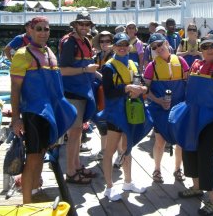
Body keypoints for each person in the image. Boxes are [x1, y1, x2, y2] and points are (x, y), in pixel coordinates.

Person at [10, 16, 76, 203]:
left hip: (50, 113)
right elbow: (15, 89)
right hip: (34, 113)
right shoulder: (23, 54)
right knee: (32, 157)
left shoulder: (49, 52)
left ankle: (35, 190)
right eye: (38, 29)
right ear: (29, 31)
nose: (43, 32)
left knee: (41, 153)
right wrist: (16, 118)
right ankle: (26, 202)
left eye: (46, 29)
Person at [169, 34, 213, 215]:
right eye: (205, 46)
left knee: (207, 158)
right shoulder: (196, 65)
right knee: (189, 152)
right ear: (201, 49)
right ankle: (197, 187)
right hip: (193, 117)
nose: (209, 50)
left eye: (212, 46)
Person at [98, 32, 152, 201]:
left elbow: (142, 84)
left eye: (125, 45)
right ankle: (109, 187)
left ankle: (127, 182)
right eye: (118, 45)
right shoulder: (108, 67)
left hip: (132, 111)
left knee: (127, 148)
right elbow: (108, 92)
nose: (122, 48)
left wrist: (143, 89)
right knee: (111, 150)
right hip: (115, 114)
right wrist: (126, 88)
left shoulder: (132, 63)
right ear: (113, 47)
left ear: (129, 47)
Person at [143, 33, 189, 184]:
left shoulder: (181, 62)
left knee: (180, 141)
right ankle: (157, 169)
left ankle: (178, 169)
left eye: (159, 44)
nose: (158, 48)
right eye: (154, 47)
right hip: (159, 109)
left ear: (166, 43)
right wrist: (157, 100)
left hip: (179, 108)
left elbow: (189, 83)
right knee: (159, 141)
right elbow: (145, 90)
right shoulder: (151, 66)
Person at [59, 13, 99, 184]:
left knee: (78, 133)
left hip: (83, 91)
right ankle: (70, 172)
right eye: (81, 24)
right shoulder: (70, 43)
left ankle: (77, 165)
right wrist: (85, 71)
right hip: (73, 93)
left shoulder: (84, 40)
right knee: (74, 134)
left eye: (86, 24)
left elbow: (87, 66)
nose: (84, 27)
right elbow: (63, 71)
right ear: (75, 25)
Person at [90, 30, 115, 161]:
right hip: (99, 92)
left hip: (109, 93)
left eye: (108, 41)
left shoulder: (114, 57)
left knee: (111, 123)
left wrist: (93, 72)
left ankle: (115, 153)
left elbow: (109, 78)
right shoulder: (98, 56)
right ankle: (104, 150)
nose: (104, 43)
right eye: (102, 41)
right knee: (101, 122)